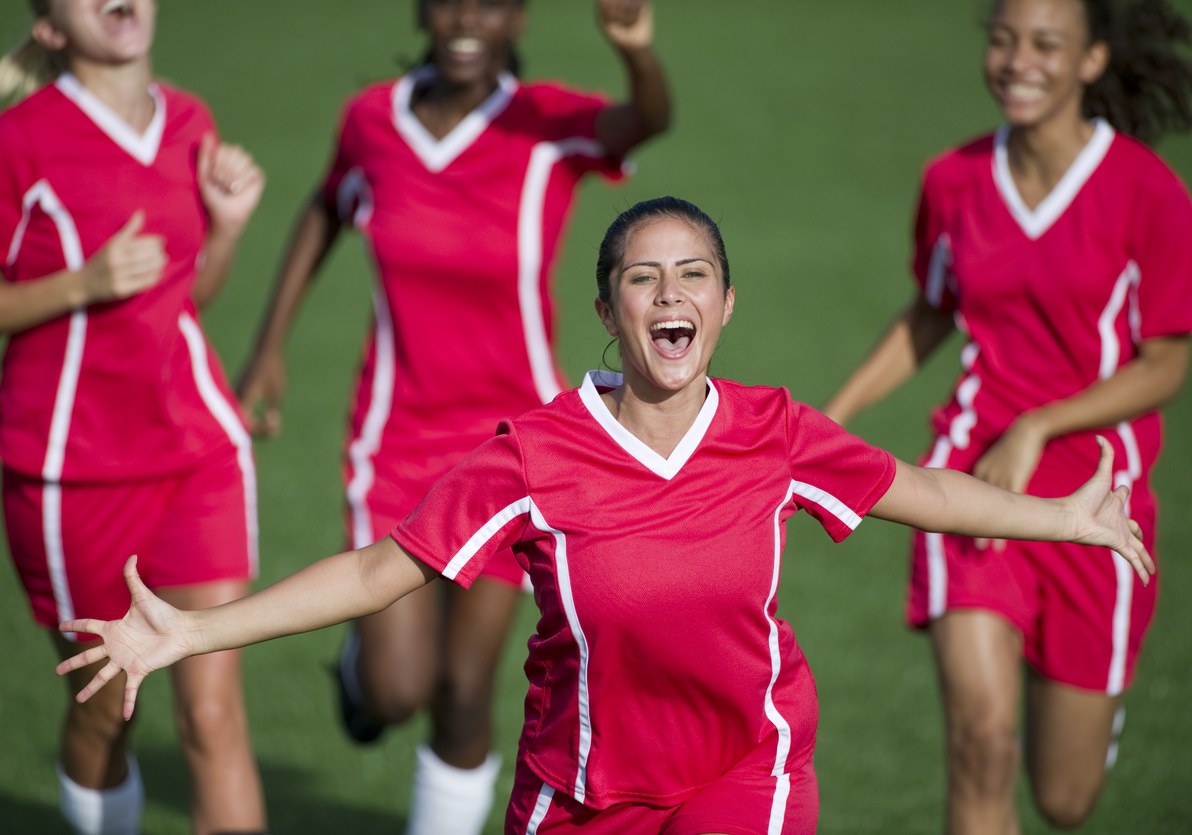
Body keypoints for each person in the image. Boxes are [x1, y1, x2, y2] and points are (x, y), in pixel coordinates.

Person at [57, 196, 1153, 835]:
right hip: (579, 785)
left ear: (724, 305)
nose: (669, 297)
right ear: (604, 307)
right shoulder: (531, 452)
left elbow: (922, 491)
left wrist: (1061, 516)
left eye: (693, 277)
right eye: (642, 278)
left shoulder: (773, 429)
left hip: (748, 764)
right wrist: (193, 631)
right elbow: (376, 572)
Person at [235, 1, 669, 831]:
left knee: (466, 692)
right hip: (397, 438)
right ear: (423, 11)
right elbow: (329, 203)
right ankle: (360, 675)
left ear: (518, 17)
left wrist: (638, 54)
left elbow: (644, 122)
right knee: (402, 687)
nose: (468, 16)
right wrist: (270, 347)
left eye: (491, 1)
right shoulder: (371, 121)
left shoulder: (547, 123)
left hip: (517, 448)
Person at [822, 0, 1192, 831]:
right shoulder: (952, 180)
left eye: (1045, 44)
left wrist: (1040, 424)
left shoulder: (1148, 191)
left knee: (1064, 799)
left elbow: (1168, 362)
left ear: (1092, 60)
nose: (1018, 59)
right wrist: (830, 418)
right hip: (970, 479)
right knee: (981, 744)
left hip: (1101, 499)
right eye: (1003, 39)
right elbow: (930, 311)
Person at [0, 2, 268, 833]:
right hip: (67, 475)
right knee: (107, 709)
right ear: (50, 28)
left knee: (215, 715)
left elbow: (181, 300)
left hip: (199, 453)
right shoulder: (18, 143)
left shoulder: (192, 120)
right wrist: (81, 283)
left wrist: (223, 233)